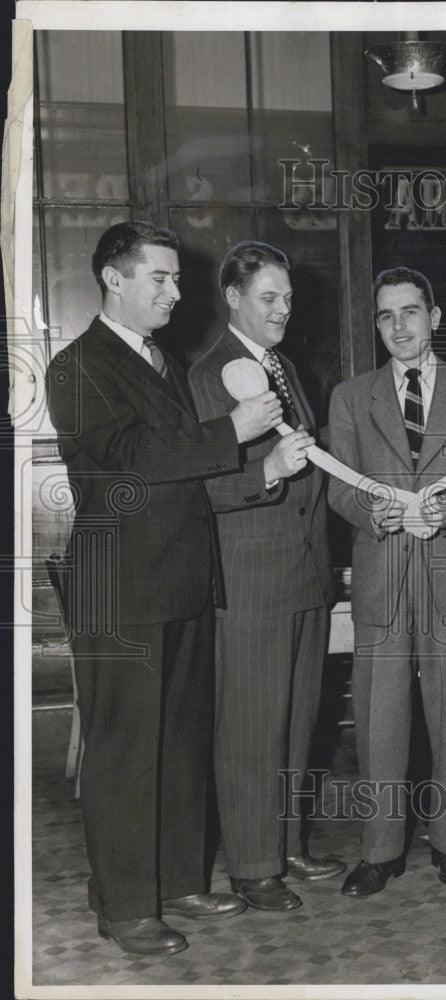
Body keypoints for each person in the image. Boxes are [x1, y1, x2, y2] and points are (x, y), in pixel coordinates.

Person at [45, 221, 282, 956]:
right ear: (114, 279)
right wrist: (232, 432)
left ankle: (178, 880)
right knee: (124, 751)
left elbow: (184, 474)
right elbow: (125, 458)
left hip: (179, 576)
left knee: (181, 739)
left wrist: (262, 470)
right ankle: (123, 907)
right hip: (120, 588)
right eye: (161, 278)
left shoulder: (163, 360)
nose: (176, 294)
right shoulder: (75, 366)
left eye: (178, 279)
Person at [327, 267, 446, 896]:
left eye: (409, 312)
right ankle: (380, 849)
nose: (398, 326)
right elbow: (338, 482)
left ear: (434, 317)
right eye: (385, 316)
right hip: (382, 578)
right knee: (380, 722)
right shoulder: (351, 396)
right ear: (376, 325)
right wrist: (366, 510)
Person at [187, 242, 344, 913]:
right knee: (252, 727)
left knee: (298, 720)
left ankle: (286, 844)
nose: (281, 308)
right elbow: (199, 489)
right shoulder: (206, 374)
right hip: (249, 579)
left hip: (303, 573)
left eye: (286, 297)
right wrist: (270, 472)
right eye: (267, 297)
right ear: (233, 297)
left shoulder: (282, 366)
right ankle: (253, 867)